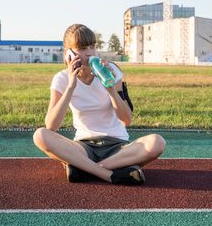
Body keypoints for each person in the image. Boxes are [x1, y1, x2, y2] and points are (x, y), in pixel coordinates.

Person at [33, 24, 166, 184]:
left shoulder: (112, 71)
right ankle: (109, 174)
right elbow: (51, 126)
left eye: (92, 46)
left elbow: (126, 120)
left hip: (118, 147)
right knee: (40, 136)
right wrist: (70, 86)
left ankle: (85, 170)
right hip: (83, 147)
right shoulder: (61, 79)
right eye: (82, 48)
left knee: (157, 143)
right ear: (69, 53)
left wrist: (110, 88)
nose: (89, 52)